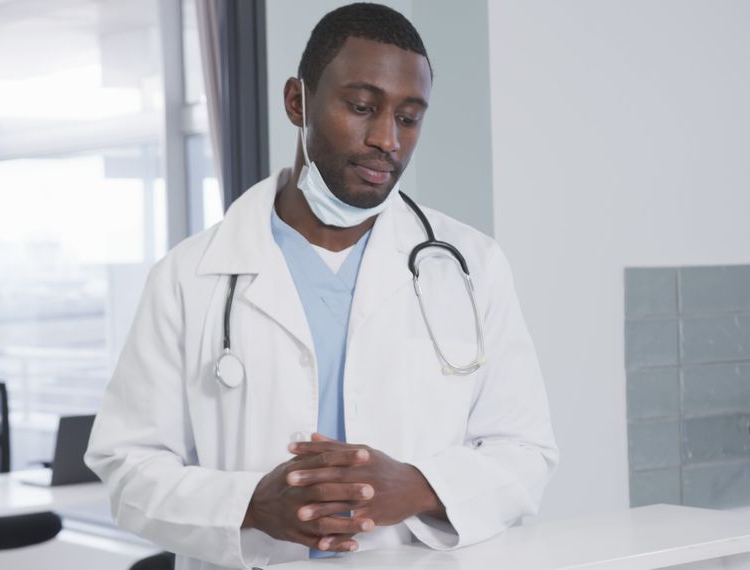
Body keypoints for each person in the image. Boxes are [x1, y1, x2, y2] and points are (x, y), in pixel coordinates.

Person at [85, 4, 558, 569]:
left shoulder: (471, 267)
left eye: (409, 118)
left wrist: (416, 486)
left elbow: (526, 453)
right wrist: (251, 506)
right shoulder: (189, 277)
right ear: (297, 101)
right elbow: (128, 468)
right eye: (361, 107)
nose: (387, 139)